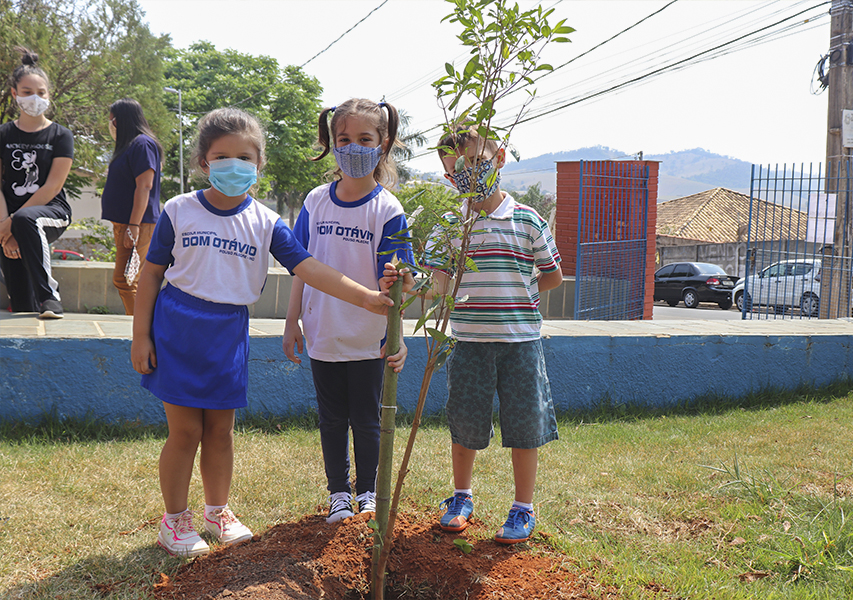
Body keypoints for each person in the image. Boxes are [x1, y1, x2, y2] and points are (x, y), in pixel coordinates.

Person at [131, 107, 395, 557]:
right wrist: (141, 336)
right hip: (179, 329)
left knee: (220, 432)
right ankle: (174, 521)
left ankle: (217, 511)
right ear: (203, 163)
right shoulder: (179, 210)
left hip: (230, 332)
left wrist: (367, 298)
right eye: (222, 156)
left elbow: (310, 267)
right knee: (185, 433)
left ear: (259, 165)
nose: (234, 166)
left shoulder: (267, 222)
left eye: (245, 158)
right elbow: (151, 274)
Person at [402, 125, 563, 544]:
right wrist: (410, 283)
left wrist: (517, 296)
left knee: (526, 424)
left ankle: (523, 507)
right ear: (447, 176)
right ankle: (461, 496)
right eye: (458, 168)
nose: (469, 172)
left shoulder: (528, 220)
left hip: (521, 346)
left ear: (500, 157)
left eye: (477, 161)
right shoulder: (451, 225)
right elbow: (437, 283)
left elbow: (553, 276)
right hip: (468, 344)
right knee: (465, 421)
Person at [282, 99, 415, 524]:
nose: (354, 147)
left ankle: (368, 493)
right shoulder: (316, 202)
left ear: (383, 144)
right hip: (322, 332)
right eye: (344, 139)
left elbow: (395, 285)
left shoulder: (388, 210)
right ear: (331, 143)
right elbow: (300, 266)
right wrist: (291, 322)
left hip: (368, 338)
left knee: (367, 420)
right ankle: (339, 494)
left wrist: (399, 333)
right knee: (331, 420)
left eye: (364, 139)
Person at [0, 46, 74, 318]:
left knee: (26, 219)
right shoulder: (3, 134)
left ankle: (50, 297)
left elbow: (52, 187)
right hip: (8, 219)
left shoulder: (60, 135)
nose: (35, 98)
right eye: (27, 92)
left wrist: (11, 223)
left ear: (49, 95)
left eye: (41, 93)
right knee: (20, 303)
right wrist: (5, 228)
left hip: (51, 213)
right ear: (14, 94)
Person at [101, 98, 163, 315]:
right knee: (130, 279)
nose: (111, 125)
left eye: (112, 120)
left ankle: (143, 331)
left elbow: (145, 186)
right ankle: (141, 329)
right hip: (127, 223)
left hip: (137, 223)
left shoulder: (142, 144)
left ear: (122, 120)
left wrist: (133, 226)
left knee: (127, 280)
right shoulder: (131, 146)